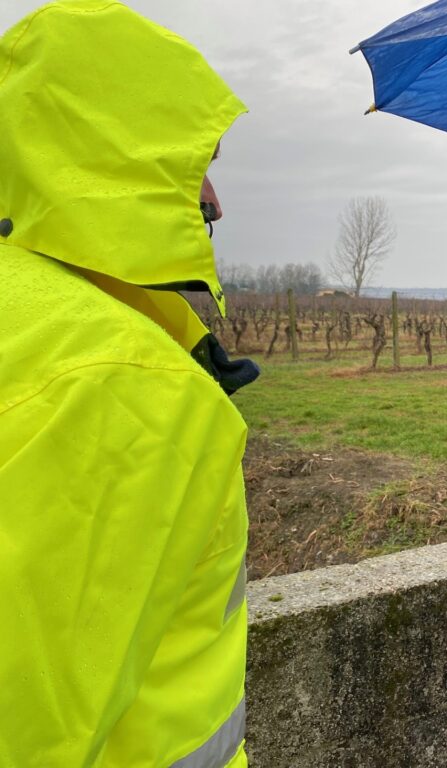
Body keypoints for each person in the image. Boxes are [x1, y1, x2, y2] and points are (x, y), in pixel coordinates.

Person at [0, 2, 256, 765]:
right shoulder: (125, 384)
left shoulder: (29, 321)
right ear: (115, 161)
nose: (213, 199)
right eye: (192, 161)